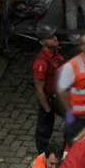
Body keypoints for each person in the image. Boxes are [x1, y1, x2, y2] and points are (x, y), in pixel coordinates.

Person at [33, 25, 66, 155]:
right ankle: (43, 156)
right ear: (42, 42)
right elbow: (39, 89)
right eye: (50, 37)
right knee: (44, 129)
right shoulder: (41, 62)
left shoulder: (55, 52)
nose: (55, 38)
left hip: (60, 95)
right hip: (50, 99)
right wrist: (46, 108)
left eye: (54, 35)